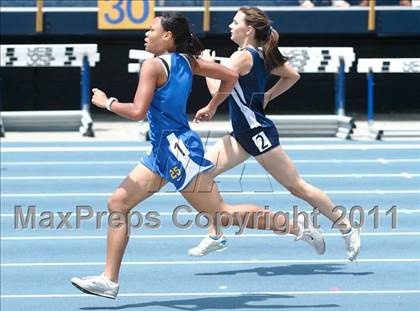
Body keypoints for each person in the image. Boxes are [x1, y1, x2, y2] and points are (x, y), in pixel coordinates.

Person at [70, 12, 325, 300]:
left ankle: (296, 226)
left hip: (178, 151)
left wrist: (108, 102)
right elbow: (228, 76)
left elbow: (138, 112)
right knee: (118, 202)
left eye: (151, 30)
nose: (146, 34)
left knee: (221, 214)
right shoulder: (188, 61)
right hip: (161, 151)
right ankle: (109, 280)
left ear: (167, 36)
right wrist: (214, 104)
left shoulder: (154, 65)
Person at [188, 7, 361, 261]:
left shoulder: (242, 58)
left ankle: (346, 226)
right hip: (241, 135)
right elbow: (292, 75)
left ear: (249, 29)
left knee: (297, 187)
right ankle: (215, 234)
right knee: (202, 175)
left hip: (258, 134)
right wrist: (267, 96)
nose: (229, 26)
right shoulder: (255, 55)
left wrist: (209, 71)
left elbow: (217, 87)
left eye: (234, 22)